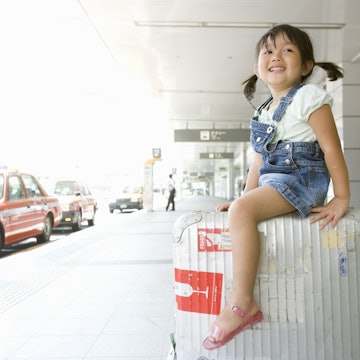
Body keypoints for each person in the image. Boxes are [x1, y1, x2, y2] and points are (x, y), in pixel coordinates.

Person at [203, 24, 350, 350]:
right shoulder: (263, 110)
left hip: (302, 179)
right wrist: (244, 200)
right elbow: (259, 163)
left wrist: (341, 196)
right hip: (275, 181)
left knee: (242, 211)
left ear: (306, 65)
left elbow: (331, 148)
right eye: (268, 51)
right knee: (241, 210)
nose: (276, 56)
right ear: (257, 67)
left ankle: (241, 304)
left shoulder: (309, 97)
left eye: (287, 50)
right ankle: (242, 301)